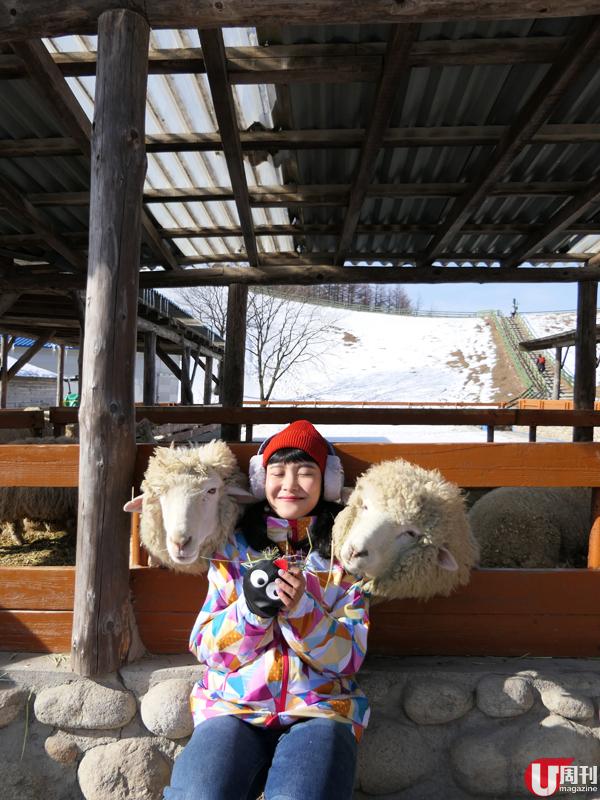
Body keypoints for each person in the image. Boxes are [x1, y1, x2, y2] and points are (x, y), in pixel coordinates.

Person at [163, 420, 370, 800]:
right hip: (233, 707)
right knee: (200, 795)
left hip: (320, 708)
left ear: (327, 482)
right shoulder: (232, 550)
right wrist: (251, 613)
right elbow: (206, 647)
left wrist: (302, 612)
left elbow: (349, 659)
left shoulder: (345, 557)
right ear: (261, 480)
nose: (290, 484)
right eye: (278, 472)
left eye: (306, 472)